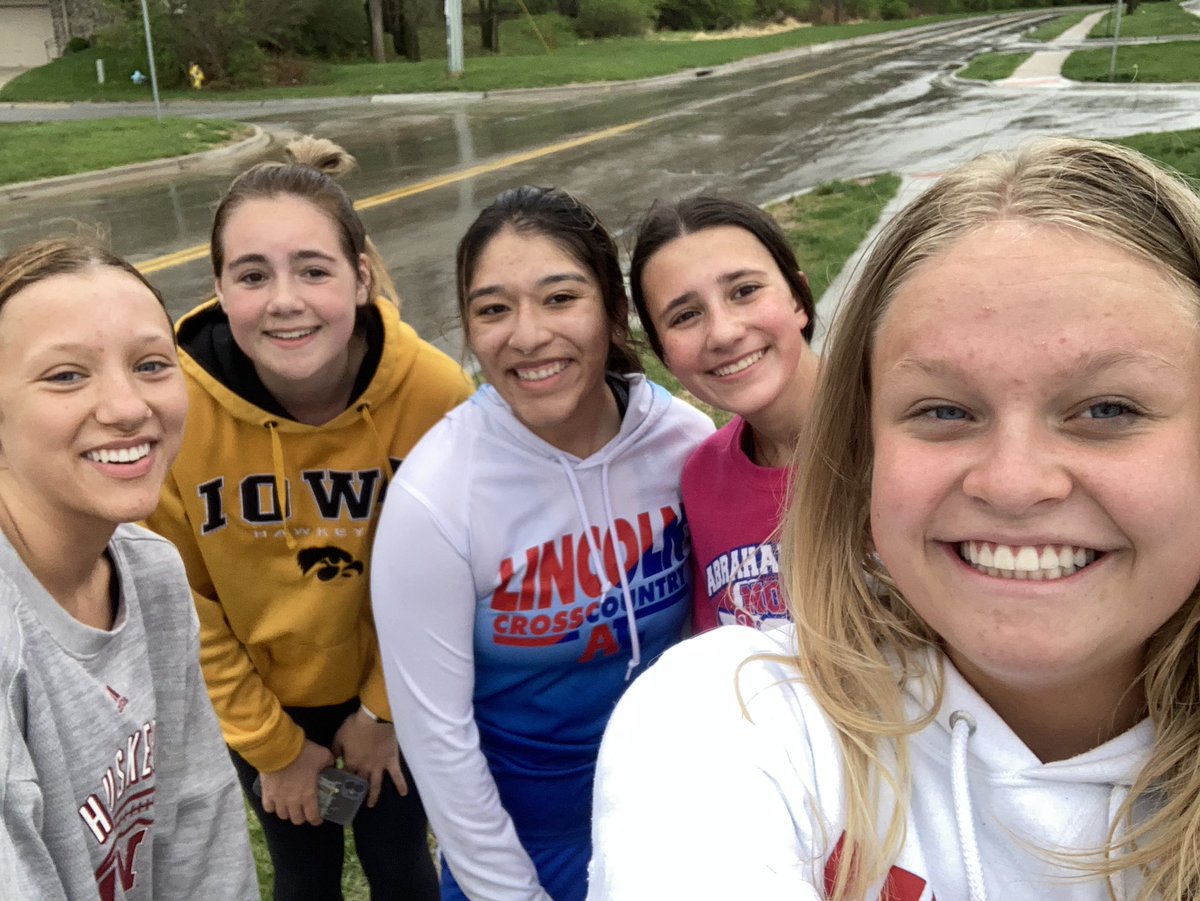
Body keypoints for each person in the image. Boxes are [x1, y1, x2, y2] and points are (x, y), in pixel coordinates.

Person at [589, 137, 1200, 900]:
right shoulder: (733, 702)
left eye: (1109, 409)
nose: (1013, 484)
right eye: (944, 410)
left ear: (800, 298)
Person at [144, 137, 472, 899]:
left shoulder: (433, 393)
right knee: (302, 872)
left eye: (313, 270)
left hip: (396, 680)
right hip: (261, 695)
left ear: (360, 277)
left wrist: (383, 709)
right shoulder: (176, 411)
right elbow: (181, 602)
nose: (284, 300)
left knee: (401, 862)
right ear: (219, 289)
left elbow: (455, 569)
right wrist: (274, 747)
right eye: (253, 275)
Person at [372, 185, 714, 901]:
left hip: (677, 820)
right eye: (493, 309)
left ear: (613, 311)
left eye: (560, 298)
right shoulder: (436, 497)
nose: (526, 336)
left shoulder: (683, 443)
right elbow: (438, 742)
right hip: (522, 845)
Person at [0, 237, 257, 899]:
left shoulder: (150, 572)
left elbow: (200, 826)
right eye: (65, 375)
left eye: (150, 364)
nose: (127, 407)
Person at [629, 197, 818, 632]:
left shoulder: (900, 435)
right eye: (685, 315)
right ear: (664, 354)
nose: (723, 333)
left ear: (798, 299)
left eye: (744, 291)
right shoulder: (702, 479)